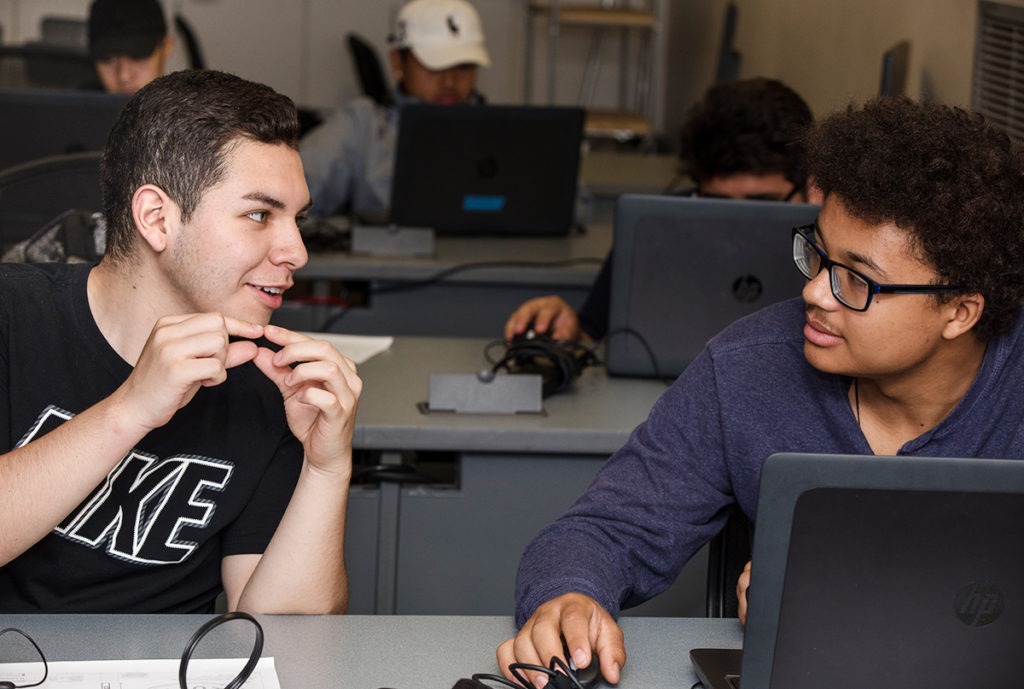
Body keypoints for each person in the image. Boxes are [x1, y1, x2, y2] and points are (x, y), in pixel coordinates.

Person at [498, 96, 1024, 686]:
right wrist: (569, 595)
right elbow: (603, 530)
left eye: (857, 280)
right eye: (818, 255)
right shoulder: (749, 368)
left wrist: (838, 606)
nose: (816, 293)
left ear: (960, 310)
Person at [0, 69, 362, 614]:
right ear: (156, 218)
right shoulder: (13, 316)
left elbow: (288, 640)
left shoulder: (269, 383)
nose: (296, 250)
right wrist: (130, 410)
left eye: (297, 219)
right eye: (259, 215)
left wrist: (325, 469)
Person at [504, 78, 818, 343]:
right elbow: (593, 334)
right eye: (715, 202)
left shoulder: (839, 251)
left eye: (763, 205)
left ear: (812, 191)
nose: (739, 225)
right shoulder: (657, 227)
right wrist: (567, 328)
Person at [300, 0, 491, 219]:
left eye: (463, 66)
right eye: (434, 65)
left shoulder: (501, 134)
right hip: (385, 253)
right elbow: (290, 196)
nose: (449, 81)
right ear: (398, 63)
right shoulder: (362, 125)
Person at [87, 0, 175, 95]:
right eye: (108, 59)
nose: (124, 76)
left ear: (166, 47)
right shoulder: (75, 107)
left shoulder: (190, 106)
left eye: (138, 56)